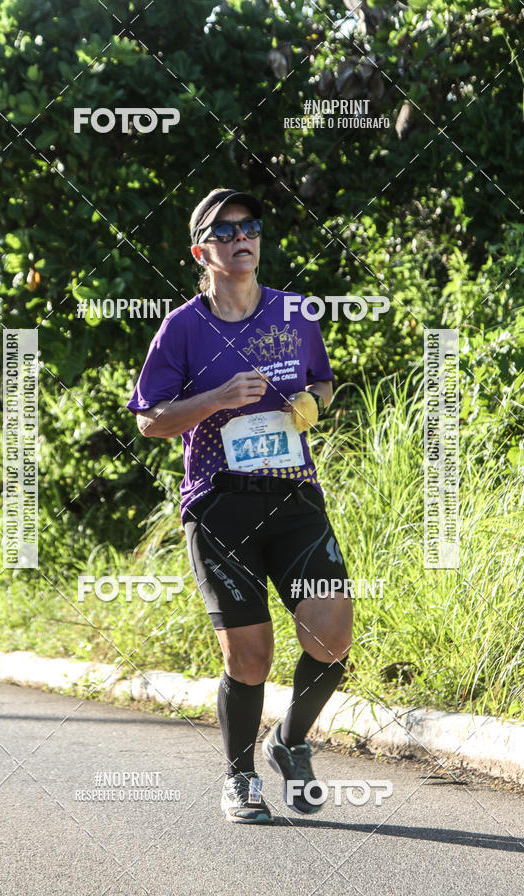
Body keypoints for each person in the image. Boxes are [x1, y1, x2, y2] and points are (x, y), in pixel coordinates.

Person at [127, 188, 353, 824]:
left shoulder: (292, 311)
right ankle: (239, 776)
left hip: (293, 493)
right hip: (219, 505)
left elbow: (323, 381)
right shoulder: (183, 328)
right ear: (203, 252)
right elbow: (149, 421)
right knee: (249, 656)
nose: (241, 238)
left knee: (331, 637)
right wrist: (218, 397)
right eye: (224, 233)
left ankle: (290, 740)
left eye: (248, 227)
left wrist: (310, 406)